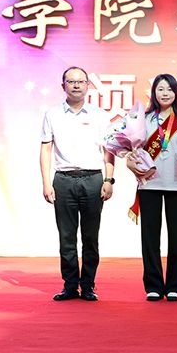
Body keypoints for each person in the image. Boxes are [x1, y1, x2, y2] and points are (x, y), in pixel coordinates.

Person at [40, 66, 115, 302]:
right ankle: (70, 285)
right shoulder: (52, 114)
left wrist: (109, 179)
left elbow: (109, 150)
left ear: (88, 86)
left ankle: (88, 285)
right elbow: (46, 149)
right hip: (63, 180)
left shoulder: (100, 115)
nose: (76, 85)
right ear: (63, 86)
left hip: (93, 180)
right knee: (67, 238)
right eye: (71, 81)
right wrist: (46, 183)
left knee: (91, 238)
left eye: (81, 81)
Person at [126, 74, 177, 301]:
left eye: (169, 89)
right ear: (154, 92)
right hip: (149, 183)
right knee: (150, 237)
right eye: (161, 89)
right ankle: (153, 285)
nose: (165, 93)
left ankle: (176, 286)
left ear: (176, 93)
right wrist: (131, 161)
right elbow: (132, 149)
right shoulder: (143, 119)